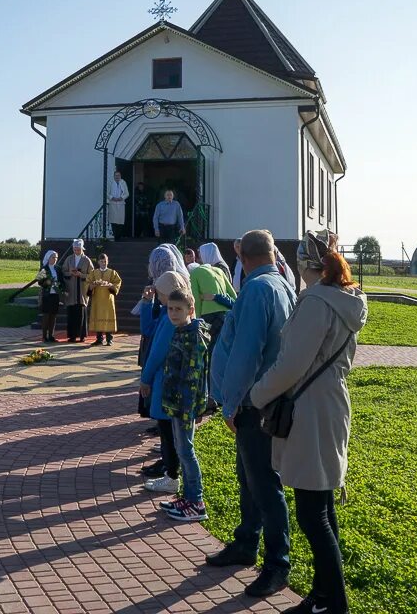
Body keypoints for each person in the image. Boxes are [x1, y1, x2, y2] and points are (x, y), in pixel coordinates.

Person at [250, 231, 367, 614]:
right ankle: (322, 595)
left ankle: (334, 604)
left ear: (304, 265)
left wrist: (256, 395)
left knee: (312, 513)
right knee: (322, 505)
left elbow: (290, 365)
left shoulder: (316, 301)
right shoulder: (346, 299)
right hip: (330, 402)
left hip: (311, 408)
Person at [208, 229, 298, 598]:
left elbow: (247, 353)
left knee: (263, 483)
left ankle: (278, 563)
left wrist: (230, 403)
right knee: (249, 476)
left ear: (242, 256)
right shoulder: (280, 284)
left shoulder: (258, 289)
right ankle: (247, 541)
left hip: (252, 403)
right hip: (264, 401)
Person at [152, 287, 211, 523]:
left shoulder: (193, 336)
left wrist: (188, 408)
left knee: (186, 451)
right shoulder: (180, 331)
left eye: (179, 309)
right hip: (176, 403)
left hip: (185, 406)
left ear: (191, 310)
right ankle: (187, 497)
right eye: (170, 309)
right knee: (180, 448)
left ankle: (196, 501)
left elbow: (193, 376)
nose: (173, 313)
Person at [139, 268, 190, 493]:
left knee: (169, 432)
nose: (157, 295)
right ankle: (172, 472)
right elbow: (147, 328)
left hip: (164, 380)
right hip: (166, 380)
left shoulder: (172, 319)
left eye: (159, 292)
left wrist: (146, 378)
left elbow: (157, 352)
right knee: (169, 431)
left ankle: (172, 475)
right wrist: (147, 302)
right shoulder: (170, 313)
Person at [191, 243, 237, 348]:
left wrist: (196, 319)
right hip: (225, 315)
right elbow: (234, 296)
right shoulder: (219, 270)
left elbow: (195, 300)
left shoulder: (195, 273)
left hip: (207, 317)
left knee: (209, 348)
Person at [62, 239, 94, 343]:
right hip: (71, 290)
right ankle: (71, 336)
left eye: (78, 249)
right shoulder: (69, 259)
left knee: (81, 314)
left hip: (82, 291)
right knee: (71, 314)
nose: (76, 251)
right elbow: (64, 271)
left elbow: (92, 275)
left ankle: (82, 335)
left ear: (82, 249)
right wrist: (70, 273)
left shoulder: (86, 260)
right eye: (75, 249)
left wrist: (81, 275)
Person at [86, 254, 122, 346]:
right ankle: (99, 339)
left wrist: (111, 285)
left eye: (105, 261)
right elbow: (87, 283)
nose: (103, 263)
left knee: (108, 317)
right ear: (98, 262)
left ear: (107, 261)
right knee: (98, 317)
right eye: (101, 261)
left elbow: (118, 282)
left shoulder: (112, 272)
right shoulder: (94, 273)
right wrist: (92, 285)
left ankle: (109, 339)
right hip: (97, 299)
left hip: (108, 300)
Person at [36, 250, 63, 343]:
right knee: (46, 316)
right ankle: (44, 336)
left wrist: (60, 288)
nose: (55, 259)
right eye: (53, 257)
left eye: (56, 257)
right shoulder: (44, 269)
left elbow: (62, 281)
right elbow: (39, 281)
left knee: (53, 316)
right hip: (47, 295)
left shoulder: (58, 269)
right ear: (48, 258)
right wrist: (49, 283)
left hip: (55, 295)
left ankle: (51, 335)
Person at [108, 170, 130, 241]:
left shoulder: (123, 183)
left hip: (121, 204)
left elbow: (127, 193)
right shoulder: (110, 182)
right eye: (116, 175)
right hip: (113, 203)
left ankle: (119, 237)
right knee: (113, 221)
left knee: (120, 221)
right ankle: (115, 236)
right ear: (114, 176)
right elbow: (107, 193)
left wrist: (121, 198)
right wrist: (112, 198)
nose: (117, 177)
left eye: (118, 175)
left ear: (120, 176)